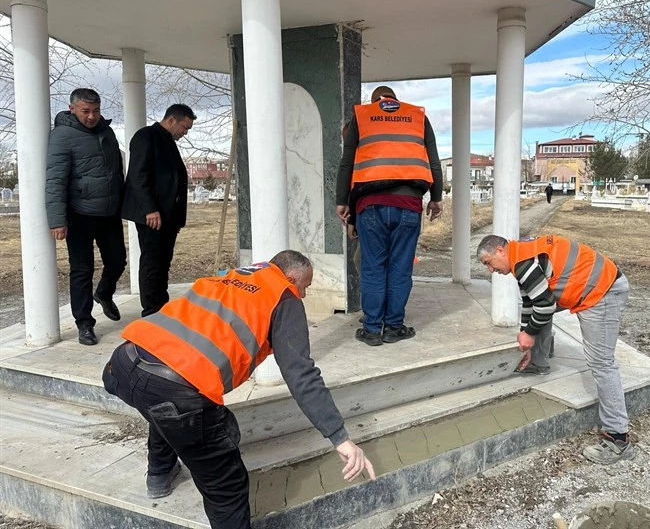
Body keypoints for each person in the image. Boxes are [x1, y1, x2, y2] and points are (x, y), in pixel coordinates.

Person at [101, 250, 375, 528]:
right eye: (304, 287)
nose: (302, 295)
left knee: (163, 405)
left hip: (124, 362)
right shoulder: (283, 296)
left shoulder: (232, 278)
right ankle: (166, 474)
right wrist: (340, 438)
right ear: (291, 278)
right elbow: (301, 374)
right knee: (227, 488)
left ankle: (159, 474)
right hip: (174, 389)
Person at [477, 234, 635, 465]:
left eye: (489, 263)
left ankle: (618, 440)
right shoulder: (522, 256)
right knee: (539, 310)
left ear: (501, 251)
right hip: (592, 285)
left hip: (603, 290)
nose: (491, 270)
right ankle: (538, 362)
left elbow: (545, 304)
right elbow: (532, 303)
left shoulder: (523, 262)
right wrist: (526, 341)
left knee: (601, 363)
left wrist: (529, 334)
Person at [335, 86, 444, 346]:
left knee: (373, 268)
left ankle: (372, 329)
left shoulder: (362, 118)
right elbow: (434, 161)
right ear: (394, 99)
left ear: (375, 102)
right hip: (408, 204)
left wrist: (342, 203)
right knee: (400, 268)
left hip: (370, 205)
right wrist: (436, 197)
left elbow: (347, 164)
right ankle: (394, 327)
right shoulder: (417, 117)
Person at [45, 88, 126, 346]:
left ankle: (103, 293)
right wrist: (57, 220)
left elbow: (116, 172)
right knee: (82, 270)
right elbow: (55, 179)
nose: (92, 116)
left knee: (117, 261)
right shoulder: (62, 135)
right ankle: (84, 323)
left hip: (109, 213)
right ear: (72, 109)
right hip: (79, 215)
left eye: (96, 110)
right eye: (85, 111)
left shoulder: (107, 131)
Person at [122, 104, 193, 317]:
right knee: (152, 263)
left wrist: (177, 221)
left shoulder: (168, 141)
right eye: (185, 127)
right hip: (152, 216)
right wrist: (150, 209)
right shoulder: (146, 137)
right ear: (172, 120)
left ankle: (162, 306)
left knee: (163, 263)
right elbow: (138, 176)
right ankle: (152, 310)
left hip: (168, 218)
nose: (185, 132)